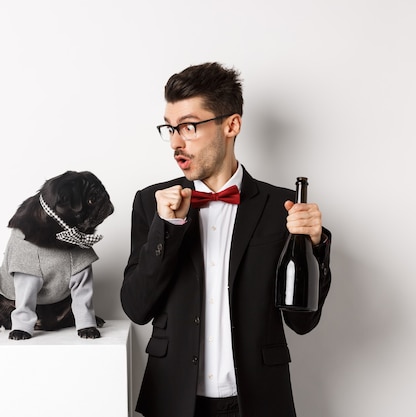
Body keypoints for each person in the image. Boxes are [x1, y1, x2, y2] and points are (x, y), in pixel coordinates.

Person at [120, 62, 332, 417]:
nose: (175, 142)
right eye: (170, 129)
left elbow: (302, 322)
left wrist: (315, 246)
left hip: (259, 401)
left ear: (231, 125)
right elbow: (137, 308)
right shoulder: (150, 202)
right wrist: (167, 226)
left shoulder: (282, 207)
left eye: (188, 126)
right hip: (173, 400)